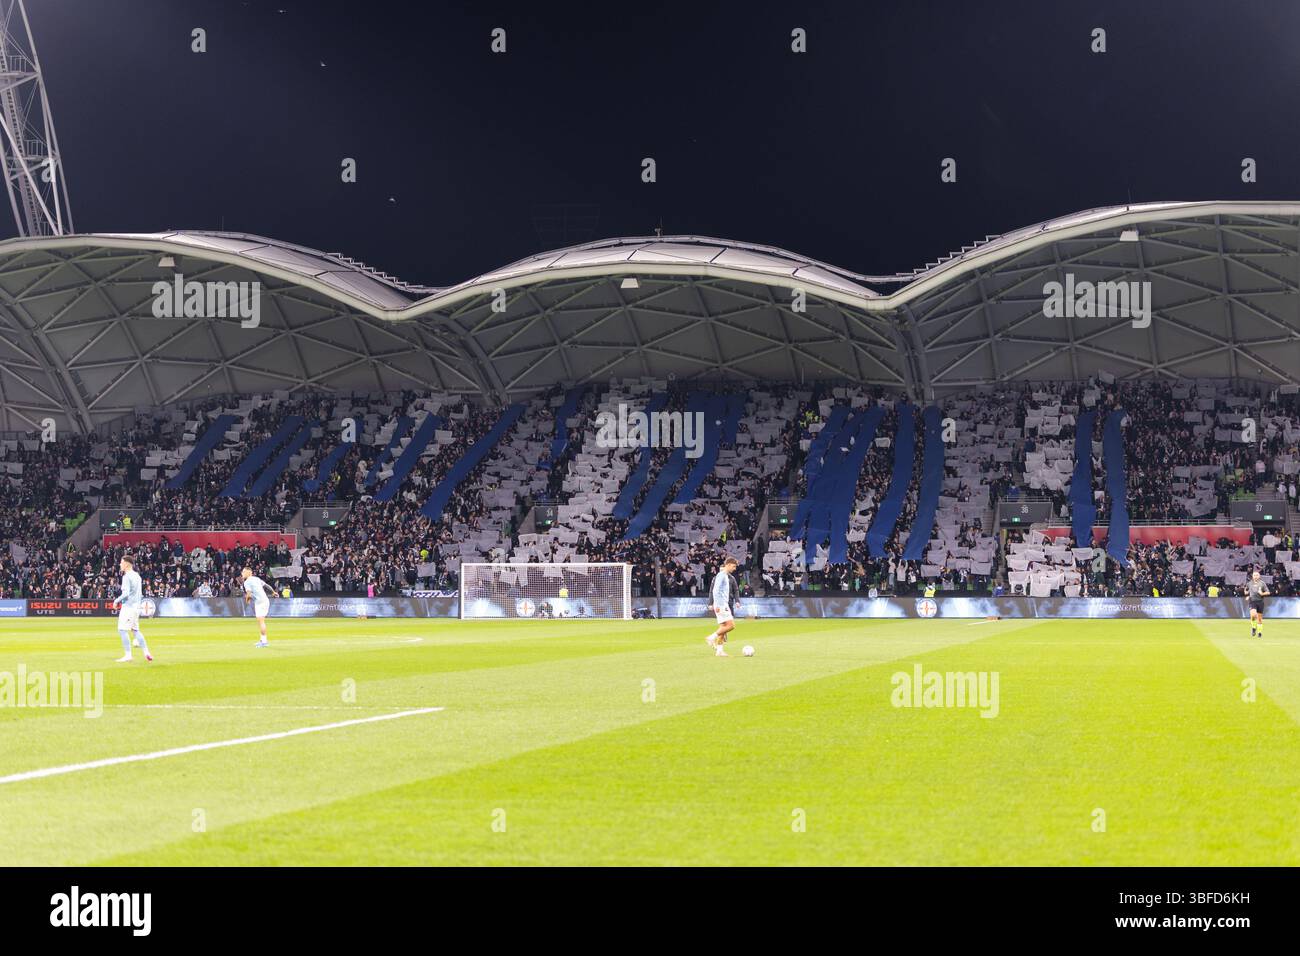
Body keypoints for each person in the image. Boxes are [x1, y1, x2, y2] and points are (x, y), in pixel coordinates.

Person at [110, 554, 151, 663]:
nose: (120, 564)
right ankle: (146, 652)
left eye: (121, 562)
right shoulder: (137, 576)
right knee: (135, 630)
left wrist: (116, 601)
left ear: (127, 564)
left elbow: (126, 593)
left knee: (122, 630)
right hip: (137, 606)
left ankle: (128, 655)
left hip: (128, 607)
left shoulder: (126, 576)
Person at [705, 555, 739, 658]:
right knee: (731, 625)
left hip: (722, 604)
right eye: (733, 566)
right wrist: (718, 604)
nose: (734, 569)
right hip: (721, 605)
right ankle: (711, 637)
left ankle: (719, 651)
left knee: (723, 628)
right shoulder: (721, 575)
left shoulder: (725, 575)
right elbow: (715, 590)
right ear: (728, 565)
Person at [241, 567, 275, 647]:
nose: (242, 573)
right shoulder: (256, 579)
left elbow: (248, 594)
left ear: (249, 572)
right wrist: (273, 592)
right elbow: (266, 585)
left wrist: (247, 600)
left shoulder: (247, 582)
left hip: (260, 602)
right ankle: (262, 640)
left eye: (243, 572)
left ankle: (264, 642)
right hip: (264, 600)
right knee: (261, 621)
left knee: (261, 621)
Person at [1248, 570, 1269, 639]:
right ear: (1252, 576)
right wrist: (1248, 595)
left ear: (1259, 576)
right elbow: (1246, 590)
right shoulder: (1249, 583)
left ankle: (1259, 633)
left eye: (1257, 575)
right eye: (1254, 575)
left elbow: (1268, 592)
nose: (1255, 576)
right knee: (1253, 615)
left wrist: (1262, 593)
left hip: (1260, 602)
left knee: (1259, 619)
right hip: (1252, 601)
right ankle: (1254, 628)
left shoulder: (1262, 583)